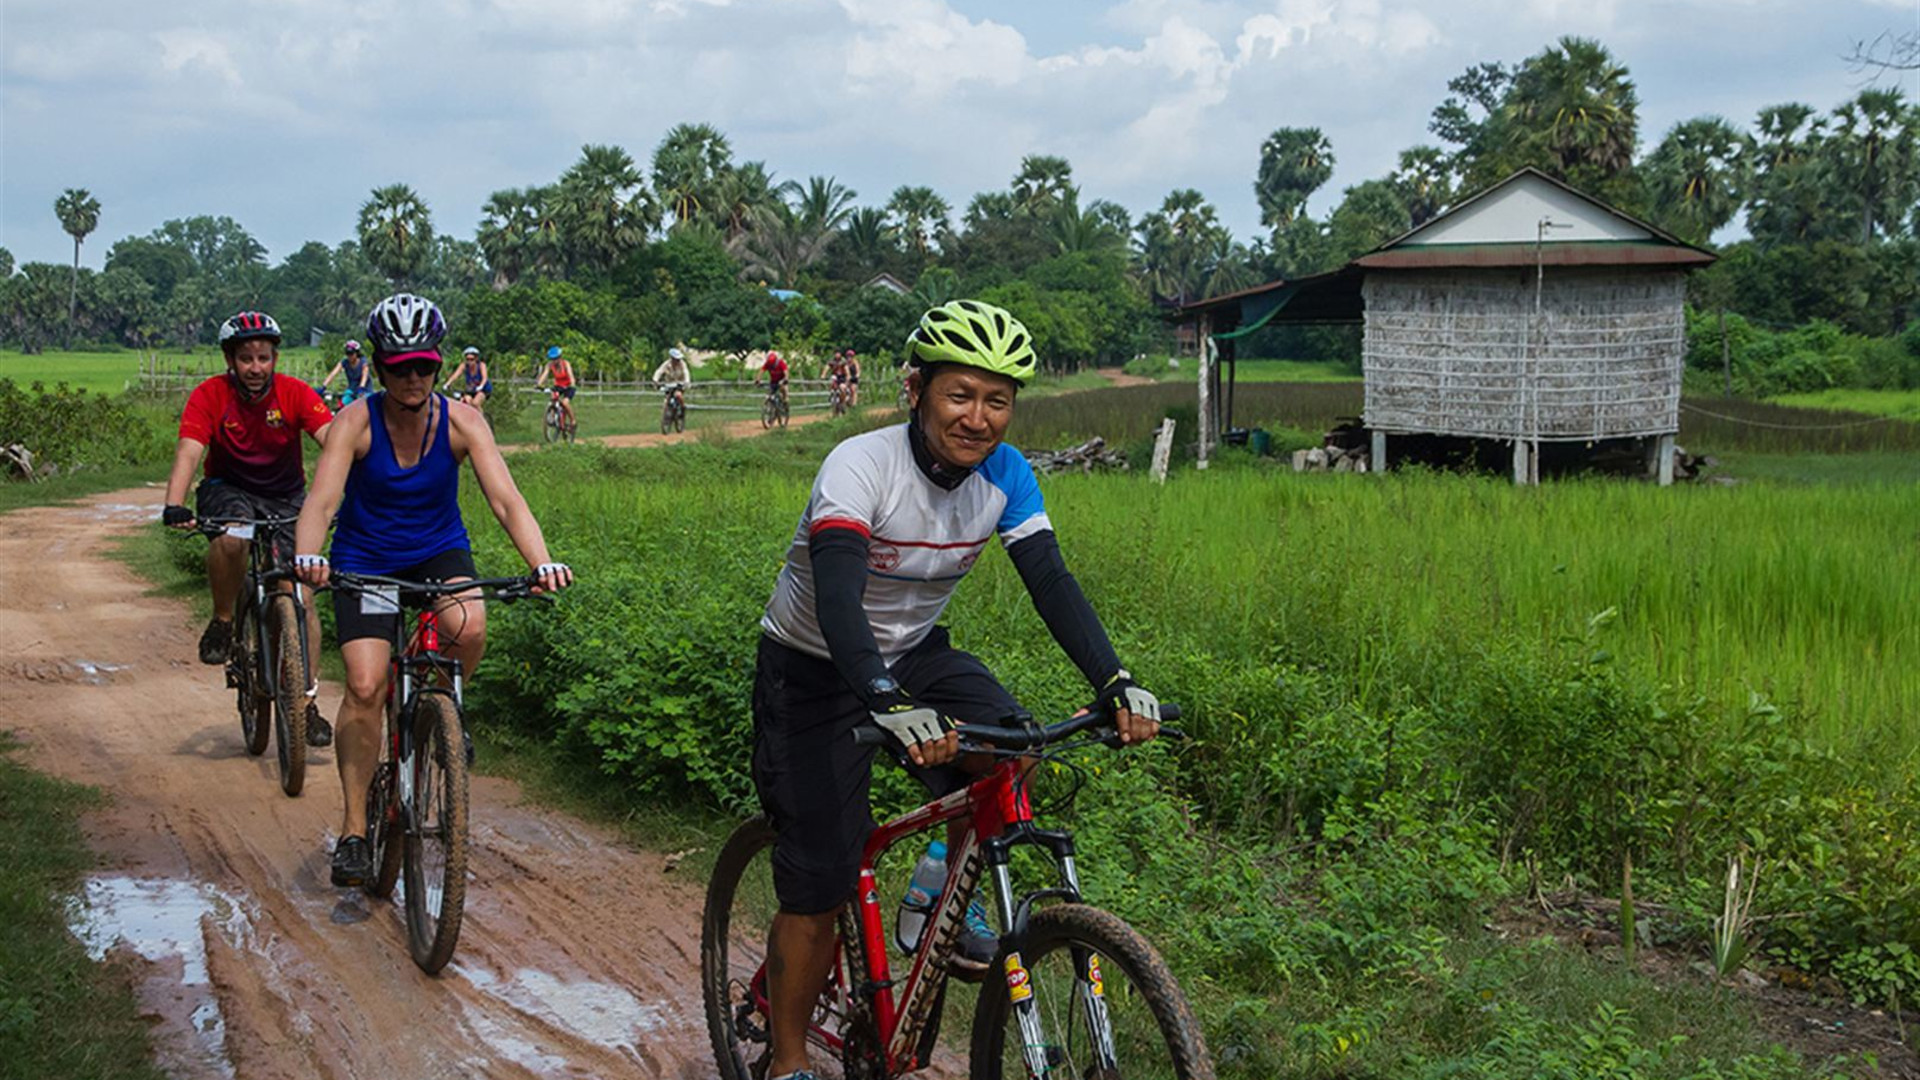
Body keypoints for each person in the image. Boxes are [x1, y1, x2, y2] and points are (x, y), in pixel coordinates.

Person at [751, 299, 1163, 1080]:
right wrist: (882, 698)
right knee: (819, 883)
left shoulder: (1007, 475)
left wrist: (1115, 679)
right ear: (917, 389)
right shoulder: (860, 465)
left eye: (998, 400)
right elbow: (839, 599)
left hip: (911, 653)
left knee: (1015, 747)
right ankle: (790, 1060)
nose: (978, 418)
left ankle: (936, 887)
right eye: (960, 394)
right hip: (811, 666)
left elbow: (1050, 580)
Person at [291, 293, 574, 888]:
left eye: (422, 365)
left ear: (437, 363)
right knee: (366, 686)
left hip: (437, 551)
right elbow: (321, 500)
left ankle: (444, 710)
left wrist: (542, 563)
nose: (413, 378)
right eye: (399, 367)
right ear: (380, 366)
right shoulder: (355, 422)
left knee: (468, 624)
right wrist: (308, 558)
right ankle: (352, 830)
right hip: (365, 560)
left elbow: (506, 499)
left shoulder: (464, 421)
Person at [161, 310, 336, 747]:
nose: (255, 368)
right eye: (246, 358)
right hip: (228, 488)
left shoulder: (295, 393)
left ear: (275, 358)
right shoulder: (210, 395)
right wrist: (174, 503)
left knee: (302, 596)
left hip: (287, 497)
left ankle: (307, 702)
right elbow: (189, 451)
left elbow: (334, 440)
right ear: (230, 361)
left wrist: (358, 483)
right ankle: (223, 619)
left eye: (263, 357)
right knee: (234, 536)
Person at [534, 345, 576, 431]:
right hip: (558, 386)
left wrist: (572, 383)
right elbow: (544, 375)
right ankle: (553, 417)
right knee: (553, 397)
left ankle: (573, 420)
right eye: (552, 359)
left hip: (568, 386)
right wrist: (539, 384)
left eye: (556, 358)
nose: (554, 361)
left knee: (565, 403)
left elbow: (571, 375)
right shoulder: (549, 365)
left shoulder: (566, 364)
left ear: (560, 357)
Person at [320, 340, 371, 405]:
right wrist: (324, 386)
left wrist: (361, 387)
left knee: (365, 406)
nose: (349, 356)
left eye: (351, 353)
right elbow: (333, 373)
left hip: (365, 390)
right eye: (347, 353)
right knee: (342, 405)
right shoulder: (345, 362)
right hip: (352, 390)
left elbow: (365, 373)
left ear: (357, 353)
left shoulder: (363, 361)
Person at [652, 346, 692, 422]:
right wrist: (655, 380)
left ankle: (683, 409)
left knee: (678, 395)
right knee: (667, 398)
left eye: (678, 359)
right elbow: (659, 371)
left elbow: (686, 372)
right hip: (669, 384)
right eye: (675, 359)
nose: (677, 361)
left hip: (680, 383)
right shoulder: (667, 364)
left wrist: (687, 382)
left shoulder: (682, 364)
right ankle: (666, 414)